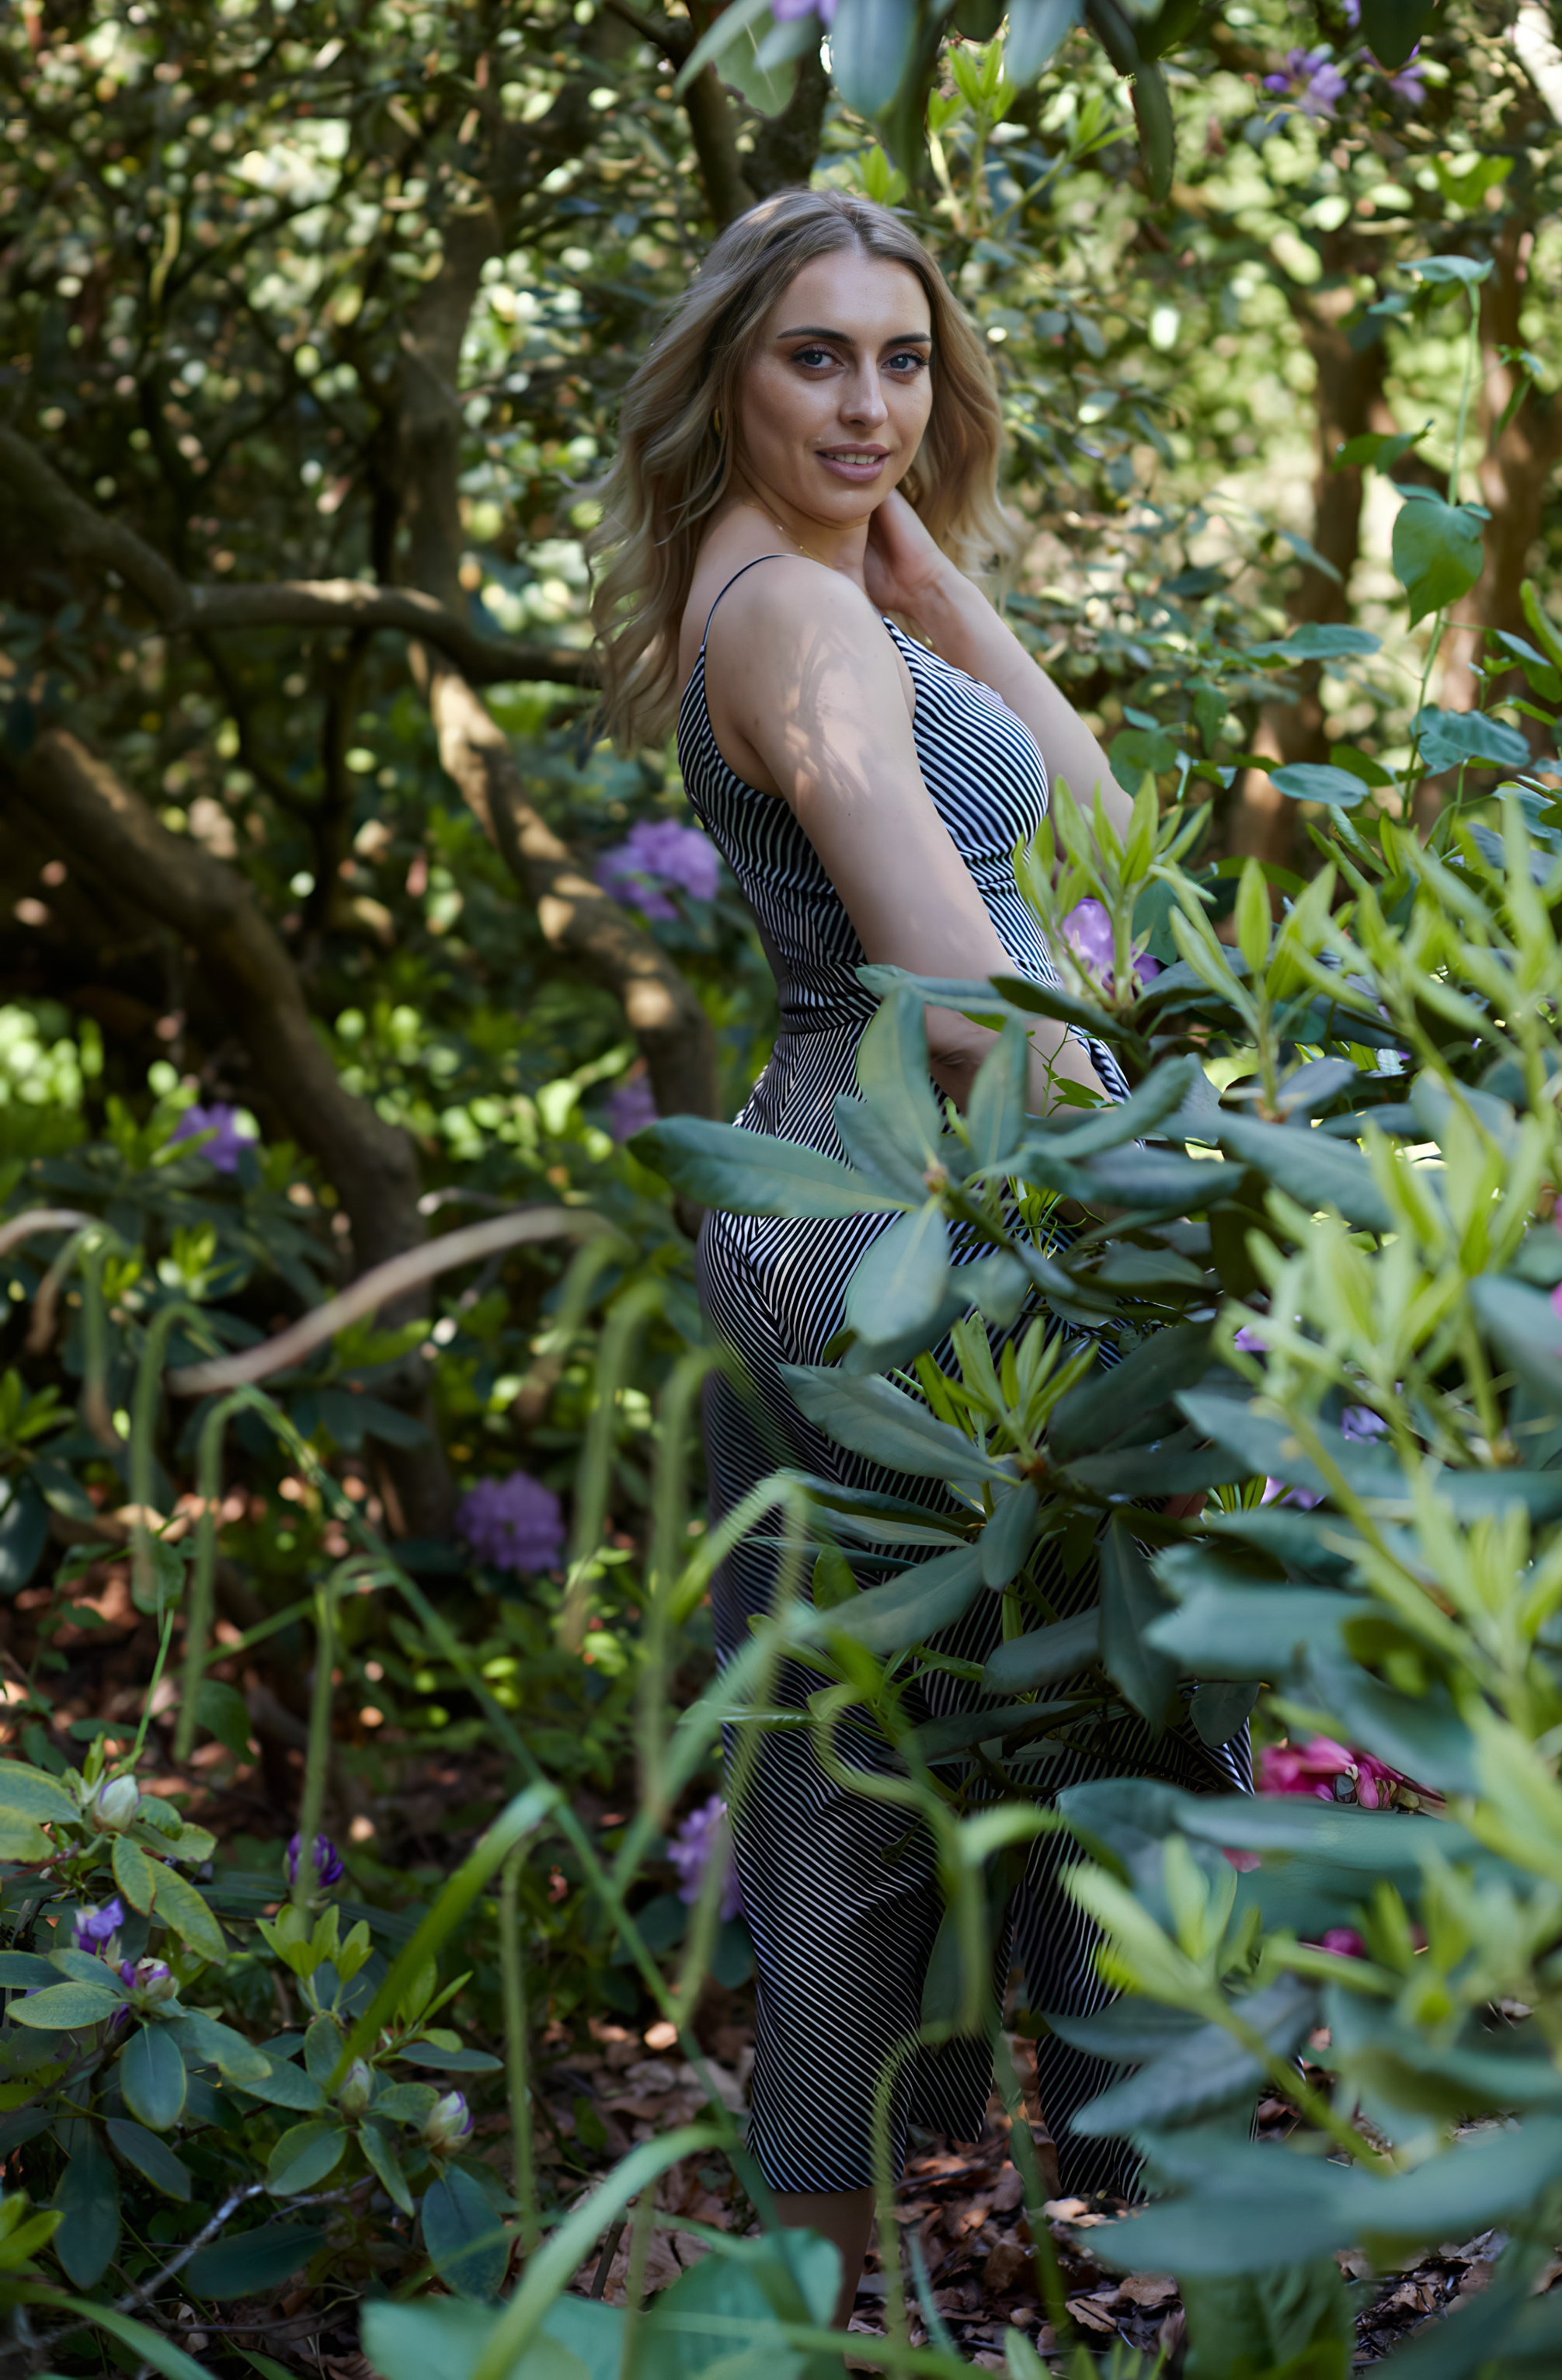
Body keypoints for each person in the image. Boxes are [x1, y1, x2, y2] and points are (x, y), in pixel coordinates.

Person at [590, 189, 1242, 2316]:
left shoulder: (820, 588)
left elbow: (1104, 816)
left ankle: (853, 2300)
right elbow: (969, 1000)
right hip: (906, 1202)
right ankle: (1144, 2283)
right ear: (727, 375)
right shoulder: (792, 628)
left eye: (903, 358)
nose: (870, 399)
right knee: (1067, 1732)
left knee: (871, 1756)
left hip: (882, 1194)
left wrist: (928, 557)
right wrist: (1200, 1124)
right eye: (816, 357)